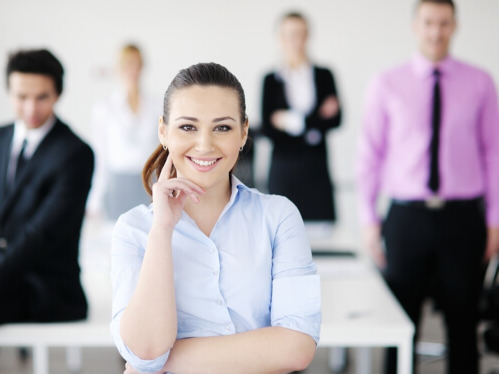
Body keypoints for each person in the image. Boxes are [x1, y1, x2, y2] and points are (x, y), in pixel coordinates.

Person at [110, 62, 321, 373]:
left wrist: (163, 364)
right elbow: (145, 349)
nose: (205, 145)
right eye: (187, 127)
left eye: (222, 127)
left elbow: (297, 347)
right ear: (163, 131)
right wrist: (162, 230)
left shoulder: (279, 217)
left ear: (244, 132)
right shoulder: (134, 229)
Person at [356, 1, 499, 373]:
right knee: (400, 323)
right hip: (406, 218)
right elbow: (370, 153)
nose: (436, 31)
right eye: (429, 23)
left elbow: (494, 153)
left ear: (455, 26)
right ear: (415, 26)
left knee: (463, 322)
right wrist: (368, 219)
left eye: (444, 23)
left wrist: (495, 221)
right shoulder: (386, 83)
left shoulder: (480, 82)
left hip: (464, 218)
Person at [0, 49, 94, 370]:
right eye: (21, 96)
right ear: (9, 92)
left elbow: (40, 235)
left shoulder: (76, 154)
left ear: (58, 94)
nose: (30, 108)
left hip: (43, 286)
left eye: (42, 97)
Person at [261, 11, 342, 237]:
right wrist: (314, 122)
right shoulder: (270, 79)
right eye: (288, 35)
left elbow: (336, 119)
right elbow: (269, 129)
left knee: (323, 239)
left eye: (299, 34)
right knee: (282, 236)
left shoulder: (325, 75)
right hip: (284, 172)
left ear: (308, 36)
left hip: (317, 172)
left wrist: (289, 120)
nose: (294, 41)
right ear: (279, 39)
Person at [87, 44, 160, 221]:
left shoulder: (157, 106)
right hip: (118, 187)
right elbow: (100, 157)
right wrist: (93, 200)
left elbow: (163, 153)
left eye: (136, 64)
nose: (132, 70)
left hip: (149, 184)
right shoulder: (104, 109)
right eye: (127, 64)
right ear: (118, 68)